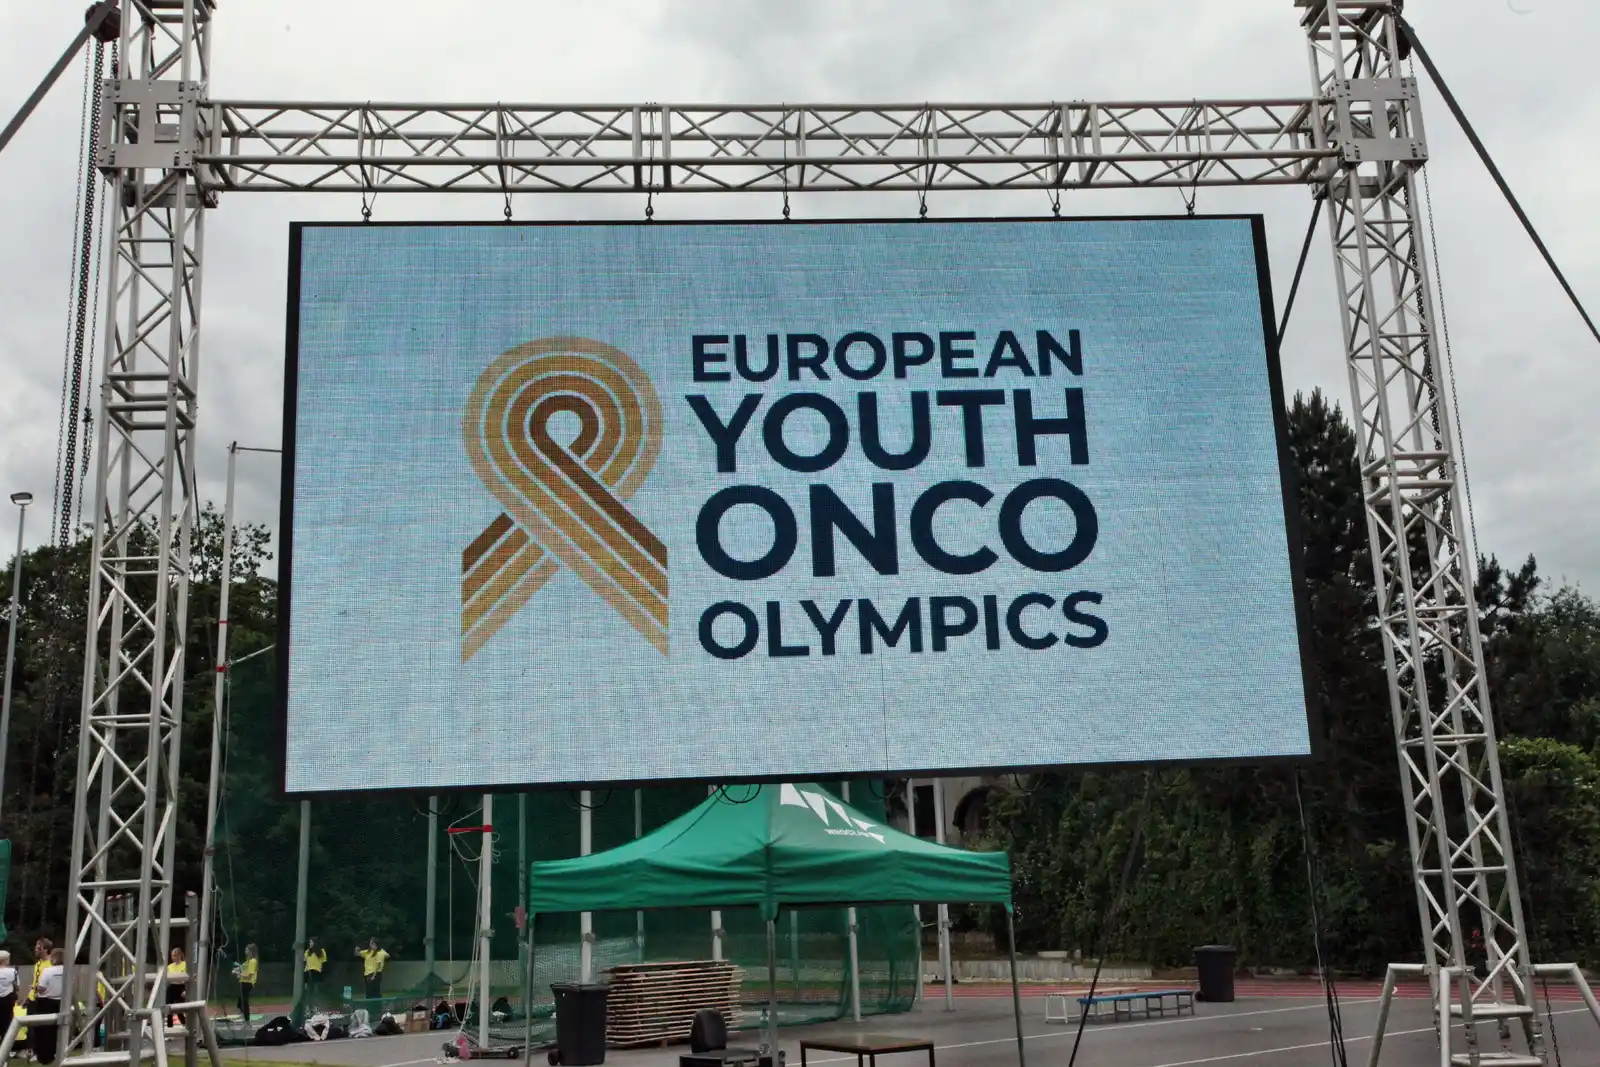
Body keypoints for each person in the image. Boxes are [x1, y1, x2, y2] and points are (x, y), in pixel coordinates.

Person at [32, 949, 64, 1066]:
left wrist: (34, 988)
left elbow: (42, 988)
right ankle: (57, 1052)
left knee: (44, 1030)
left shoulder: (48, 971)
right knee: (58, 1030)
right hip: (61, 1001)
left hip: (46, 1002)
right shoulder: (68, 971)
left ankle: (45, 1056)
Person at [165, 946, 188, 1027]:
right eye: (172, 956)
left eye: (174, 955)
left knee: (179, 1009)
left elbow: (189, 979)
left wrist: (186, 990)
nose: (172, 958)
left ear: (179, 955)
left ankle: (185, 1024)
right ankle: (169, 1027)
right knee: (168, 1008)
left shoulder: (185, 965)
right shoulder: (169, 966)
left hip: (181, 987)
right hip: (172, 987)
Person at [235, 944, 258, 1022]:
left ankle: (247, 1020)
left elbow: (249, 976)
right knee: (240, 1003)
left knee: (244, 1002)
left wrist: (240, 975)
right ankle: (245, 1017)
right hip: (243, 983)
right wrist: (238, 970)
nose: (245, 950)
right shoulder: (247, 961)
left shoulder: (253, 961)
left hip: (247, 984)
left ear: (251, 951)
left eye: (247, 949)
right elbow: (243, 970)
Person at [302, 937, 327, 1004]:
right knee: (307, 987)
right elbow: (304, 960)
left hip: (317, 971)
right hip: (308, 971)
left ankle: (315, 1001)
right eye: (309, 942)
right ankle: (308, 1001)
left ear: (315, 943)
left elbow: (323, 962)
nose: (310, 944)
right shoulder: (307, 951)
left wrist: (321, 969)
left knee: (316, 987)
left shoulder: (321, 951)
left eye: (311, 942)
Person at [0, 951, 18, 1042]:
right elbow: (17, 986)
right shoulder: (13, 971)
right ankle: (6, 1043)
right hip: (8, 998)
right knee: (7, 1021)